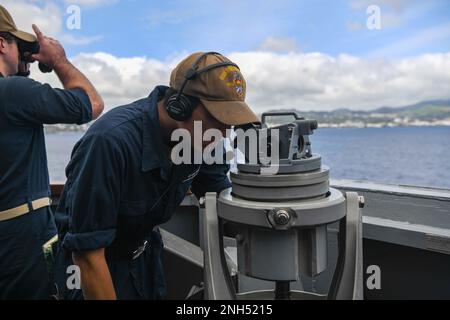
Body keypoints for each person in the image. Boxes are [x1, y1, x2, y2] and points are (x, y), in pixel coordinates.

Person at [54, 51, 259, 300]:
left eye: (230, 124)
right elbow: (88, 255)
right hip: (95, 270)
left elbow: (221, 201)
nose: (225, 135)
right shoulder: (110, 142)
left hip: (145, 260)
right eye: (218, 119)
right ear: (180, 106)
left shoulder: (203, 139)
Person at [0, 5, 104, 299]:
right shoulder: (14, 93)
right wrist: (58, 61)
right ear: (1, 44)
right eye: (16, 44)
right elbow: (92, 104)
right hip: (18, 234)